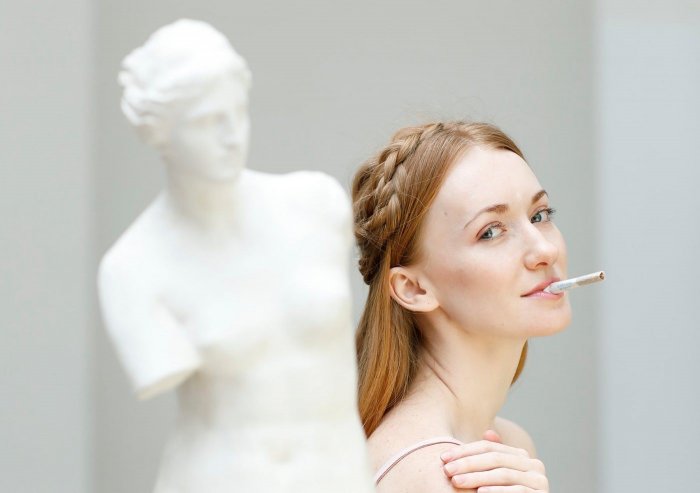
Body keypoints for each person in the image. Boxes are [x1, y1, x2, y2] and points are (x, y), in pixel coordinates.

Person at [98, 19, 373, 492]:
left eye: (238, 113)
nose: (231, 136)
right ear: (160, 133)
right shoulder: (134, 267)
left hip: (339, 475)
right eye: (207, 121)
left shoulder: (316, 206)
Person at [351, 121, 571, 492]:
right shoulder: (445, 475)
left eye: (540, 215)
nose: (545, 250)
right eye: (491, 231)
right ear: (413, 288)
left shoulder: (508, 447)